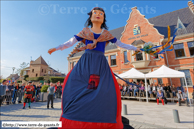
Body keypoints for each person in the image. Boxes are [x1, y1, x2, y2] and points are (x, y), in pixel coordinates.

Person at [48, 7, 141, 129]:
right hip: (86, 61)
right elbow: (70, 42)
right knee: (73, 82)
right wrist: (56, 48)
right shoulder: (85, 32)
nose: (98, 15)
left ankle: (102, 115)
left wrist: (135, 48)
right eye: (95, 13)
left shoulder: (106, 34)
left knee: (104, 87)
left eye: (101, 13)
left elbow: (120, 44)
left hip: (100, 63)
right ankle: (74, 112)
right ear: (90, 17)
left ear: (103, 19)